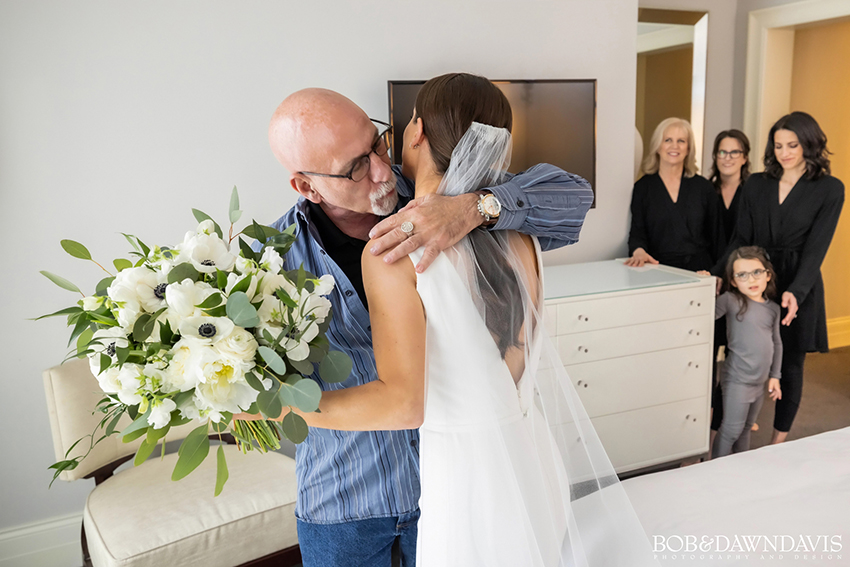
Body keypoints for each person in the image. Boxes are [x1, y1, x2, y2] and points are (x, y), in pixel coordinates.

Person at [257, 74, 655, 566]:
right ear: (306, 185)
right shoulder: (266, 264)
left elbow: (573, 196)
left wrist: (473, 208)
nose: (381, 170)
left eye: (378, 142)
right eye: (356, 167)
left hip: (451, 488)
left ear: (414, 131)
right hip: (346, 498)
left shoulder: (478, 203)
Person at [713, 111, 845, 445]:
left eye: (792, 145)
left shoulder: (830, 189)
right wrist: (717, 275)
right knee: (737, 357)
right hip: (755, 282)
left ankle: (777, 444)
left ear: (809, 144)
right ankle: (716, 438)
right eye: (778, 145)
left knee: (791, 364)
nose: (784, 152)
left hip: (799, 281)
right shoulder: (757, 183)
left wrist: (796, 292)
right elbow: (740, 238)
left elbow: (816, 249)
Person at [626, 118, 724, 271]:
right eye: (668, 140)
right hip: (658, 270)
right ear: (658, 146)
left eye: (681, 141)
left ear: (688, 149)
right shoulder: (643, 188)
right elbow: (637, 233)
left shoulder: (704, 188)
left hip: (700, 272)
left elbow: (718, 238)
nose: (675, 146)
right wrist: (638, 251)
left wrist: (717, 274)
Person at [712, 246, 782, 458]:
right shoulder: (730, 300)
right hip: (737, 379)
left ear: (767, 275)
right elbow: (704, 314)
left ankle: (741, 467)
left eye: (756, 272)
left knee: (746, 429)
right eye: (742, 275)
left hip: (759, 382)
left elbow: (776, 343)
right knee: (731, 430)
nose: (751, 280)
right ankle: (715, 468)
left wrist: (775, 376)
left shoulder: (773, 309)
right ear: (733, 281)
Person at [707, 129, 752, 453]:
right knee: (709, 356)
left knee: (736, 356)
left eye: (734, 152)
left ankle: (732, 419)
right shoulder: (705, 190)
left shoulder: (754, 191)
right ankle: (709, 424)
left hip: (739, 282)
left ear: (745, 157)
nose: (727, 158)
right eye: (722, 152)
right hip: (711, 279)